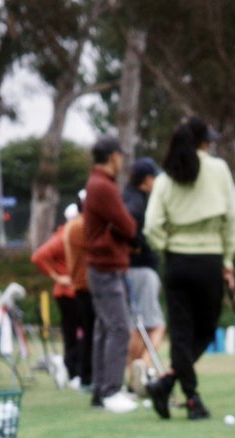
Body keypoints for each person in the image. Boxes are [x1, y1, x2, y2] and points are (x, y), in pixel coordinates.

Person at [143, 115, 235, 420]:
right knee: (206, 330)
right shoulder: (219, 169)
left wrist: (167, 245)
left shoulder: (165, 177)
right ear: (202, 142)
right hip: (209, 260)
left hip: (177, 262)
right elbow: (230, 220)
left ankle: (169, 383)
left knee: (182, 334)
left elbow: (151, 226)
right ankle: (191, 398)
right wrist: (227, 261)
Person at [82, 134, 138, 412]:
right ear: (113, 156)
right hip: (106, 268)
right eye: (120, 156)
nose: (122, 161)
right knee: (118, 328)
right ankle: (111, 390)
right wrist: (122, 229)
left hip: (101, 267)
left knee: (105, 330)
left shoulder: (96, 184)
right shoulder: (103, 186)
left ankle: (100, 392)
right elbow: (128, 226)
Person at [122, 156, 166, 395]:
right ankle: (142, 368)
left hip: (130, 269)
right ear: (146, 180)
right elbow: (126, 227)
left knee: (138, 324)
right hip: (141, 269)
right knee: (154, 325)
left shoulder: (127, 196)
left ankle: (134, 375)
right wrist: (138, 245)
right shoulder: (137, 202)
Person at [30, 205, 80, 384]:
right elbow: (38, 256)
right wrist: (58, 277)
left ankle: (73, 370)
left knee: (76, 335)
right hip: (68, 293)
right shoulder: (63, 237)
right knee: (75, 335)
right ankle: (71, 369)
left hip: (72, 293)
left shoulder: (70, 234)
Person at [63, 190, 95, 391]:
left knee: (89, 333)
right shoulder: (79, 226)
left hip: (84, 286)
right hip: (85, 287)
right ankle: (85, 376)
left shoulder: (76, 226)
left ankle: (86, 375)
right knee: (90, 334)